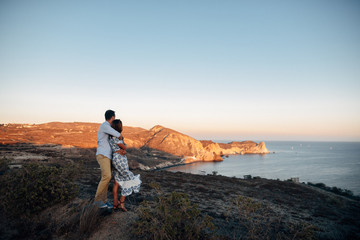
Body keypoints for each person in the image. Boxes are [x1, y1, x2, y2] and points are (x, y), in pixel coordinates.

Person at [94, 110, 124, 208]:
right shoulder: (105, 126)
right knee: (107, 177)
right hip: (103, 155)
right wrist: (121, 136)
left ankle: (104, 200)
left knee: (106, 178)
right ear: (112, 117)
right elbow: (117, 134)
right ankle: (97, 201)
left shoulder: (106, 127)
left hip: (107, 156)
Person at [109, 119, 141, 211]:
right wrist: (122, 143)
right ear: (120, 127)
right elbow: (124, 147)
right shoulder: (117, 137)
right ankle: (121, 202)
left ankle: (115, 204)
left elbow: (121, 148)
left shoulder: (111, 137)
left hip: (116, 158)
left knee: (116, 182)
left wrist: (122, 149)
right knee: (130, 179)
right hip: (120, 160)